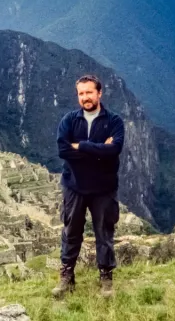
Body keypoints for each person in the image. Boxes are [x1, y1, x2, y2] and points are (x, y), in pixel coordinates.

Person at [52, 74, 125, 299]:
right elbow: (63, 150)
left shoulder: (114, 121)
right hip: (74, 186)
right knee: (71, 231)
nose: (85, 97)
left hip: (103, 188)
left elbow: (114, 150)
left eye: (89, 92)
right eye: (81, 93)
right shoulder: (69, 120)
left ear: (99, 93)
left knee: (104, 232)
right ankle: (66, 276)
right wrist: (97, 150)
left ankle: (106, 277)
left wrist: (81, 146)